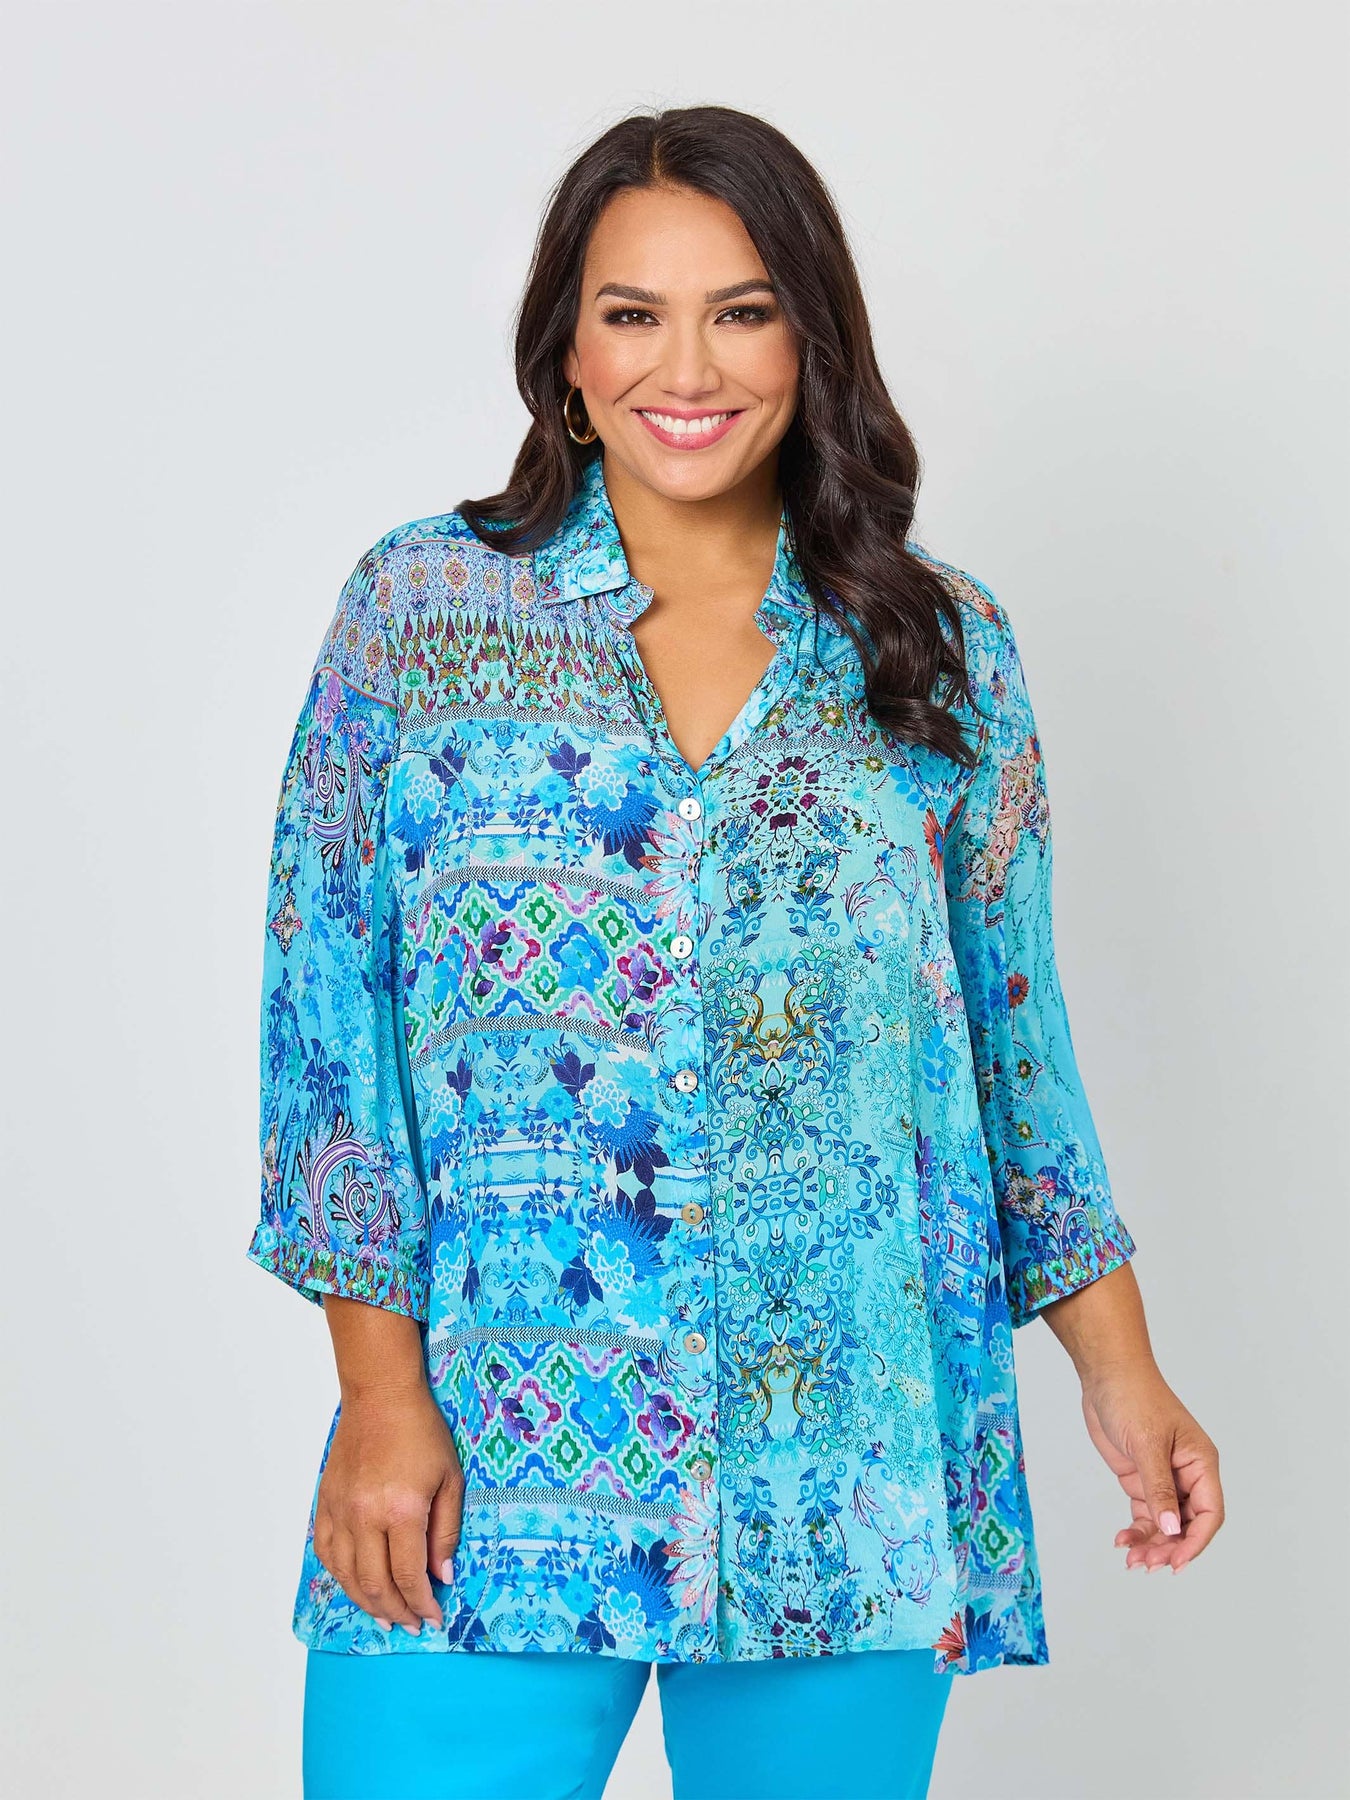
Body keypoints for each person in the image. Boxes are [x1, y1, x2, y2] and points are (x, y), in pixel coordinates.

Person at [247, 103, 1224, 1800]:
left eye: (742, 310)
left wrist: (1121, 1370)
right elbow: (326, 1029)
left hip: (839, 1458)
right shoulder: (419, 614)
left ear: (809, 341)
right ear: (565, 354)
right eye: (631, 313)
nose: (684, 366)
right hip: (498, 1444)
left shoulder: (937, 650)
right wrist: (378, 1397)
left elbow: (1011, 1045)